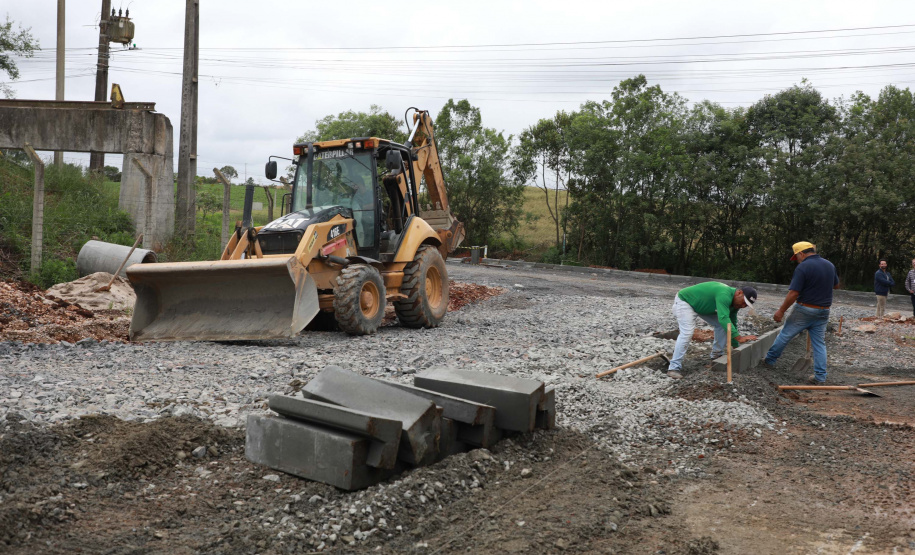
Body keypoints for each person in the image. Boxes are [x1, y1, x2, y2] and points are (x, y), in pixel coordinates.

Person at [761, 242, 839, 384]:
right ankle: (820, 377)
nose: (796, 260)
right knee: (819, 344)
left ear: (801, 253)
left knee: (785, 334)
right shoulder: (829, 265)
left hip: (804, 309)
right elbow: (836, 285)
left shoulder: (803, 267)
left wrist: (781, 310)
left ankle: (769, 361)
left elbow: (793, 293)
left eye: (796, 257)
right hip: (824, 311)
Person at [667, 282, 758, 380]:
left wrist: (735, 345)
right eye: (744, 302)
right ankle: (673, 368)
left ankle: (716, 357)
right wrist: (739, 338)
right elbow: (723, 318)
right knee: (687, 333)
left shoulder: (735, 304)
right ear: (739, 293)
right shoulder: (724, 294)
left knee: (722, 325)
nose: (743, 306)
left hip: (701, 305)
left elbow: (731, 322)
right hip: (686, 301)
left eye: (746, 305)